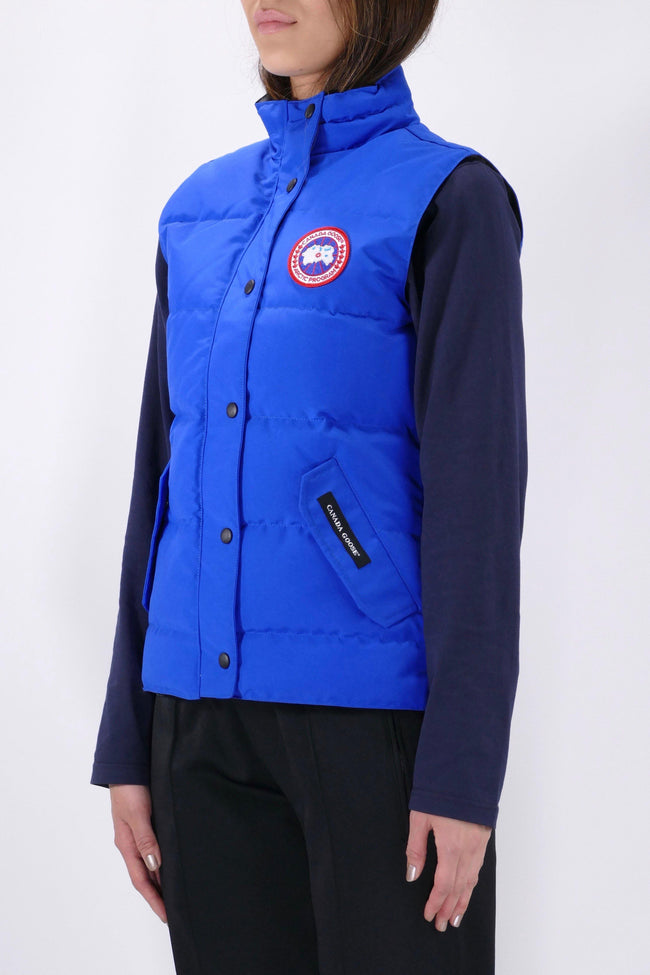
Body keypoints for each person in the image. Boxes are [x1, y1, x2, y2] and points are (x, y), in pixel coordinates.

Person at [90, 2, 527, 973]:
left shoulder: (447, 199)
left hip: (372, 729)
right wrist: (128, 741)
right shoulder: (198, 212)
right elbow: (159, 482)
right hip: (194, 723)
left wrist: (461, 774)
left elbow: (480, 506)